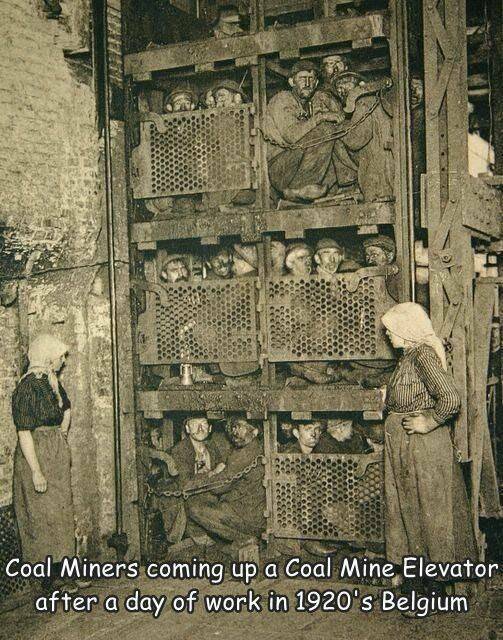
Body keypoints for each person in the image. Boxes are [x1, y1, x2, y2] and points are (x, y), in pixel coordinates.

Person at [381, 303, 477, 589]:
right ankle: (419, 579)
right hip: (407, 445)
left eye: (391, 330)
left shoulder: (422, 355)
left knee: (429, 511)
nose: (387, 334)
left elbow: (450, 398)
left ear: (407, 330)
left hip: (422, 446)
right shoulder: (409, 356)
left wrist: (429, 421)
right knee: (409, 510)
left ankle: (432, 587)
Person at [11, 334, 81, 592]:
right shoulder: (27, 387)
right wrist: (36, 471)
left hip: (55, 453)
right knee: (42, 516)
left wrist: (61, 436)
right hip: (36, 454)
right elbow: (24, 431)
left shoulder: (51, 382)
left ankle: (65, 571)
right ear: (47, 356)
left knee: (61, 513)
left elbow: (67, 408)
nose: (63, 361)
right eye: (61, 356)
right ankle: (48, 579)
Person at [265, 60, 359, 203]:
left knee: (335, 132)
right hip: (279, 169)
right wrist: (321, 117)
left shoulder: (307, 103)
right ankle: (300, 187)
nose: (307, 83)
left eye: (311, 79)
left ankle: (346, 184)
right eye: (302, 79)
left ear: (316, 84)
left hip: (294, 164)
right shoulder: (283, 99)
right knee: (325, 129)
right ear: (291, 82)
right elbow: (291, 136)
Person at [186, 417, 265, 545]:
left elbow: (219, 487)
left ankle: (243, 539)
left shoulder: (245, 453)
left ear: (255, 432)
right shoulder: (256, 447)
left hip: (249, 520)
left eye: (240, 427)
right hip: (256, 513)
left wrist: (206, 476)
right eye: (234, 427)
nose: (235, 431)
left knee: (194, 509)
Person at [154, 415, 230, 545]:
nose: (200, 428)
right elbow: (186, 485)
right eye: (195, 424)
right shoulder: (180, 450)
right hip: (189, 501)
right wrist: (213, 473)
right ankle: (198, 533)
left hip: (208, 494)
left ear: (210, 428)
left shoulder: (210, 445)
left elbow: (222, 467)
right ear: (188, 429)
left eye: (204, 424)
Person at [334, 71, 394, 203]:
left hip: (377, 178)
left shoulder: (364, 102)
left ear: (360, 85)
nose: (341, 89)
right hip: (387, 173)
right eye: (338, 86)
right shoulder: (377, 100)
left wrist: (339, 127)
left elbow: (355, 140)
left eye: (346, 83)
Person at [362, 234, 399, 301]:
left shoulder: (397, 279)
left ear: (390, 256)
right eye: (367, 256)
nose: (370, 261)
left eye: (374, 255)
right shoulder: (367, 281)